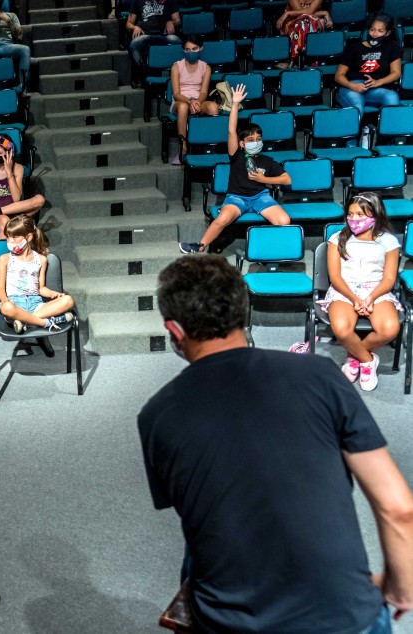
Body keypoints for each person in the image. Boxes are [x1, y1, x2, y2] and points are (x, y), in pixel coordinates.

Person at [139, 254, 413, 634]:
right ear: (243, 312)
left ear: (174, 330)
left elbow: (200, 511)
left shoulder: (156, 415)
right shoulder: (320, 375)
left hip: (228, 622)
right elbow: (398, 508)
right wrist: (400, 589)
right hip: (343, 616)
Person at [179, 85, 291, 254]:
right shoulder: (236, 155)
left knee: (284, 220)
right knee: (223, 217)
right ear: (242, 143)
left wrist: (264, 180)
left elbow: (286, 179)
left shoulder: (267, 161)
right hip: (237, 198)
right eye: (251, 139)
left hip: (260, 197)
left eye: (258, 139)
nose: (256, 142)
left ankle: (270, 250)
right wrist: (235, 104)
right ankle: (200, 246)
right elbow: (232, 131)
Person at [320, 192, 402, 391]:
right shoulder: (337, 239)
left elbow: (389, 278)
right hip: (345, 290)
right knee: (340, 328)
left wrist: (370, 297)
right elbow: (335, 276)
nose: (353, 219)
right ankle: (367, 360)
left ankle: (354, 356)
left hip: (376, 290)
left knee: (390, 328)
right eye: (350, 214)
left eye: (360, 215)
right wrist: (355, 298)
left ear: (375, 215)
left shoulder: (389, 242)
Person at [0, 216, 74, 334]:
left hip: (36, 303)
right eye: (8, 237)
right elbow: (0, 288)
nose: (10, 241)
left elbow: (40, 288)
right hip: (15, 304)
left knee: (68, 300)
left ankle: (24, 321)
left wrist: (53, 293)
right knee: (6, 308)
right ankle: (46, 322)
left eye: (15, 237)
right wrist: (5, 300)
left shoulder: (41, 259)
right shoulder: (5, 259)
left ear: (28, 237)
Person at [335, 13, 402, 113]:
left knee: (391, 96)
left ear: (387, 33)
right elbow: (338, 75)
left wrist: (378, 82)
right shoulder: (354, 48)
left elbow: (396, 73)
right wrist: (352, 86)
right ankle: (358, 128)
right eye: (372, 29)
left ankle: (388, 128)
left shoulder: (392, 47)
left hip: (375, 88)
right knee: (357, 103)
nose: (374, 34)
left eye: (380, 31)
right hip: (352, 87)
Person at [169, 35, 218, 165]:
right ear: (183, 50)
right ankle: (183, 148)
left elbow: (204, 92)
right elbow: (176, 94)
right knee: (184, 107)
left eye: (194, 49)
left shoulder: (206, 68)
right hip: (181, 101)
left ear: (201, 48)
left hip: (198, 101)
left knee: (213, 107)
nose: (191, 53)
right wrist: (190, 101)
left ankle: (209, 147)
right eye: (187, 50)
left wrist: (196, 101)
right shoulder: (176, 67)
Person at [126, 0, 181, 83]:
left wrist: (171, 22)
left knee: (176, 41)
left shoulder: (168, 1)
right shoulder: (137, 1)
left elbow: (178, 21)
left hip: (164, 34)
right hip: (145, 35)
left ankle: (175, 72)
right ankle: (143, 71)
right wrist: (134, 27)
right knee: (135, 43)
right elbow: (128, 24)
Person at [276, 0, 332, 67]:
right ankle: (305, 61)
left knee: (306, 23)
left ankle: (295, 61)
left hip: (313, 21)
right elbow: (302, 14)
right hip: (293, 21)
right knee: (302, 24)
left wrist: (288, 13)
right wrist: (324, 13)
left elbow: (309, 12)